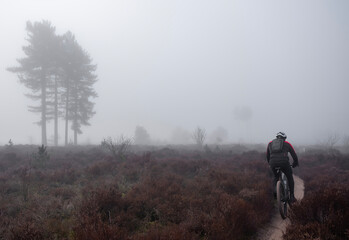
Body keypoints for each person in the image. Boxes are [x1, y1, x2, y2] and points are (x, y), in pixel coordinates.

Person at [266, 132, 299, 203]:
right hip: (284, 163)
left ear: (277, 137)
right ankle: (292, 196)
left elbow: (267, 156)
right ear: (284, 138)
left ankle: (275, 193)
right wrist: (295, 163)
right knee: (289, 177)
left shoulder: (270, 144)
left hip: (273, 163)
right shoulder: (287, 144)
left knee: (276, 177)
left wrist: (270, 164)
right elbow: (294, 155)